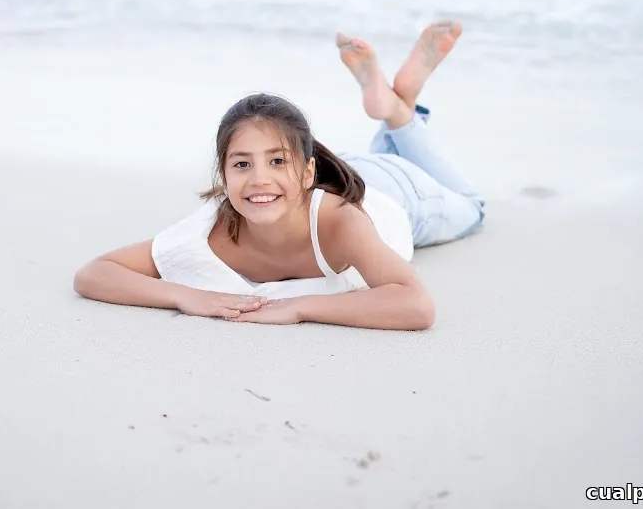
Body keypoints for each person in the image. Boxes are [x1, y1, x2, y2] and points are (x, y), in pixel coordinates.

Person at [73, 21, 485, 331]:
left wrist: (302, 306)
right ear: (224, 174)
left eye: (274, 161)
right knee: (351, 166)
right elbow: (94, 273)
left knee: (474, 208)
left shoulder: (339, 222)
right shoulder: (213, 233)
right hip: (335, 173)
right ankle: (398, 106)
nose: (257, 180)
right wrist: (185, 296)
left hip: (399, 194)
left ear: (307, 172)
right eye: (241, 164)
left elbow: (415, 306)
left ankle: (399, 114)